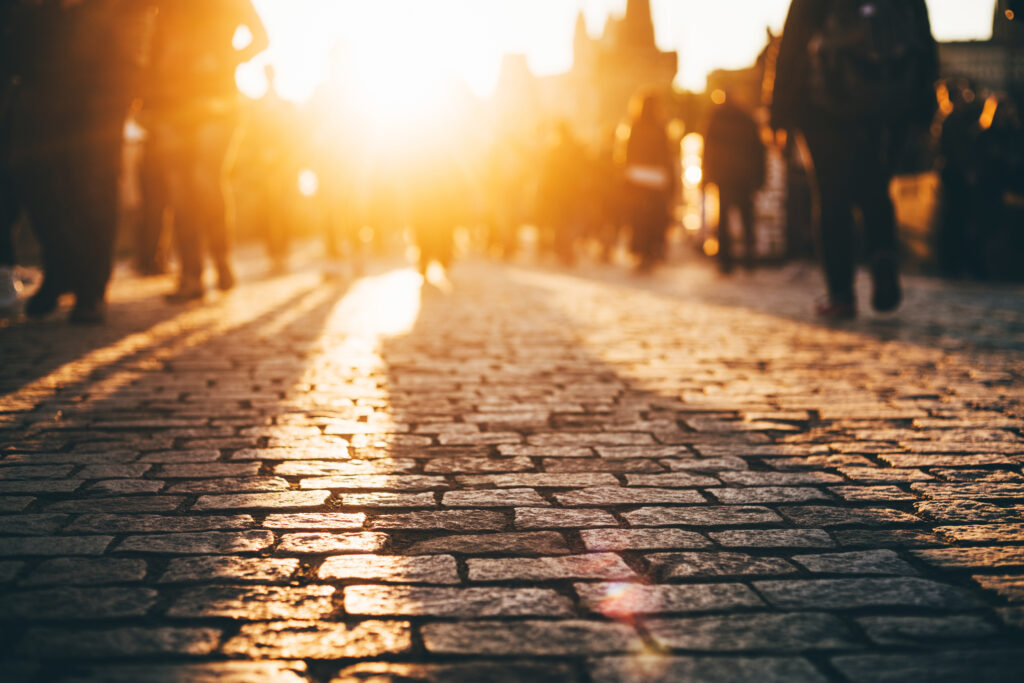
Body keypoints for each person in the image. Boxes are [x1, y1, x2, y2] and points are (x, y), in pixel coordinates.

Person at [771, 0, 938, 318]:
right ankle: (883, 255)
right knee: (876, 188)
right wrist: (922, 109)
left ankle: (841, 293)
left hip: (825, 103)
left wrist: (779, 115)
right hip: (889, 104)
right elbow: (923, 40)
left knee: (832, 196)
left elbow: (792, 41)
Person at [12, 0, 147, 323]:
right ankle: (59, 270)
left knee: (94, 187)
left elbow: (140, 17)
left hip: (103, 86)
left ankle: (91, 288)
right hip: (44, 79)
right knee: (42, 185)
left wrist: (131, 85)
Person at [143, 0, 268, 302]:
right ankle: (191, 274)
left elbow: (261, 38)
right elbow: (154, 49)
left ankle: (221, 257)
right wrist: (147, 102)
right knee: (180, 188)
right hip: (173, 105)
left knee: (204, 177)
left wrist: (226, 58)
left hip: (219, 102)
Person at [703, 91, 765, 273]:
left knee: (724, 218)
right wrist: (760, 176)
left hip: (724, 176)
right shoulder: (747, 118)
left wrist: (707, 176)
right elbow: (758, 150)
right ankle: (749, 258)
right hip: (744, 176)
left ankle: (725, 261)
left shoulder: (716, 117)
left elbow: (708, 150)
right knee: (747, 217)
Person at [623, 92, 676, 273]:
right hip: (656, 178)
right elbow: (666, 156)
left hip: (637, 177)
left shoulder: (634, 126)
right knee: (655, 216)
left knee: (639, 218)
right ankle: (652, 251)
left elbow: (626, 155)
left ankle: (641, 252)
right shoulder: (660, 128)